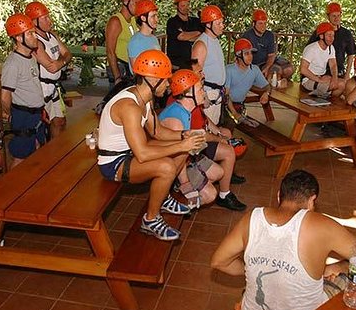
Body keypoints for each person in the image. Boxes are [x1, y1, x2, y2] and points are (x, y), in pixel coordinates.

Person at [211, 169, 356, 310]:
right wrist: (340, 266)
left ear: (279, 196)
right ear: (312, 201)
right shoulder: (322, 225)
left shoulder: (252, 218)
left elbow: (219, 262)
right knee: (351, 277)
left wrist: (258, 269)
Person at [97, 50, 206, 241]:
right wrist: (182, 145)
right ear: (150, 79)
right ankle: (151, 219)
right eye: (165, 80)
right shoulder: (129, 107)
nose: (169, 85)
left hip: (130, 153)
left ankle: (162, 197)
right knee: (166, 167)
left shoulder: (144, 99)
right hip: (114, 163)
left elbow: (158, 132)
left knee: (181, 149)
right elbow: (143, 154)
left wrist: (183, 136)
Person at [159, 69, 247, 211]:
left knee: (219, 172)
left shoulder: (185, 110)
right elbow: (176, 157)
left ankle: (188, 188)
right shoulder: (176, 120)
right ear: (188, 93)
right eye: (200, 89)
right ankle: (173, 204)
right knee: (210, 195)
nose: (204, 93)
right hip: (173, 166)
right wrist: (186, 183)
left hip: (186, 159)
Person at [1, 14, 46, 168]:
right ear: (19, 38)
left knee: (37, 149)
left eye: (34, 32)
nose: (35, 37)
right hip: (23, 116)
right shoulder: (13, 64)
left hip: (36, 114)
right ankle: (12, 189)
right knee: (20, 157)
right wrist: (10, 114)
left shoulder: (31, 58)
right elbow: (5, 95)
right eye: (30, 34)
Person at [24, 1, 72, 140]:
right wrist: (62, 61)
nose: (49, 21)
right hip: (42, 88)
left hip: (53, 87)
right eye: (45, 18)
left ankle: (55, 151)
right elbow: (51, 66)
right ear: (34, 21)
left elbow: (68, 54)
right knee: (43, 127)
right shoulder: (36, 42)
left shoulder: (52, 36)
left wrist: (61, 62)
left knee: (60, 121)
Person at [192, 4, 227, 124]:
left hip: (216, 93)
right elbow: (195, 73)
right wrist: (203, 96)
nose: (222, 26)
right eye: (218, 23)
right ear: (208, 24)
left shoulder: (214, 40)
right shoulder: (201, 45)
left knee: (215, 124)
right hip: (208, 93)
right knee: (207, 128)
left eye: (222, 22)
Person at [224, 38, 271, 128]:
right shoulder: (229, 70)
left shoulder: (255, 69)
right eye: (246, 53)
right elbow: (226, 95)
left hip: (240, 105)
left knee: (255, 126)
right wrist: (234, 113)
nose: (250, 56)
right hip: (226, 106)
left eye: (251, 53)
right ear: (238, 55)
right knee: (229, 129)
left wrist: (266, 93)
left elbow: (267, 86)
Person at [105, 0, 143, 87]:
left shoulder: (133, 20)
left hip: (129, 67)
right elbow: (110, 51)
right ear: (126, 2)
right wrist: (117, 77)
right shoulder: (115, 21)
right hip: (119, 68)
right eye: (135, 3)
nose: (138, 6)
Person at [240, 9, 294, 80]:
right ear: (253, 24)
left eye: (265, 23)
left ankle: (280, 84)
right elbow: (242, 57)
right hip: (256, 65)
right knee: (273, 74)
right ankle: (272, 87)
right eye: (260, 23)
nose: (263, 26)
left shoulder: (270, 35)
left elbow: (271, 55)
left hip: (269, 62)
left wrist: (267, 67)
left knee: (289, 69)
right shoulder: (247, 36)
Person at [308, 2, 356, 78]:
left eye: (338, 15)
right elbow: (309, 49)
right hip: (319, 71)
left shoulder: (346, 33)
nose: (336, 18)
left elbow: (351, 55)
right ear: (328, 17)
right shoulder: (320, 31)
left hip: (338, 71)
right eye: (333, 16)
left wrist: (347, 75)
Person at [300, 22, 345, 98]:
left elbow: (333, 65)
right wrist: (319, 79)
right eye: (329, 35)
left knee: (342, 84)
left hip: (322, 77)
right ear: (321, 36)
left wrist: (334, 78)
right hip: (309, 79)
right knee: (329, 85)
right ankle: (322, 96)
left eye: (333, 35)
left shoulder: (331, 48)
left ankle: (328, 100)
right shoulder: (311, 49)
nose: (332, 38)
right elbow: (303, 70)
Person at [166, 0, 203, 70]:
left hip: (192, 64)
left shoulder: (195, 21)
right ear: (177, 6)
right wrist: (197, 32)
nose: (186, 8)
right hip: (176, 65)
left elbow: (202, 36)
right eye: (183, 5)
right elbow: (181, 36)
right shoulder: (172, 22)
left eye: (187, 5)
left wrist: (188, 36)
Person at [127, 0, 161, 69]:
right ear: (143, 18)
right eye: (153, 16)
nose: (157, 19)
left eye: (156, 16)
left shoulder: (154, 38)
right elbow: (136, 71)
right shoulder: (135, 42)